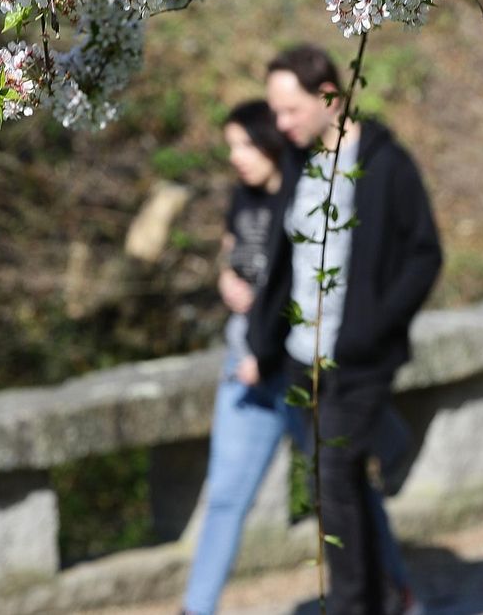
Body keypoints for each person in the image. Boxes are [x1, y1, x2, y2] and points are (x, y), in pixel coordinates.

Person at [180, 100, 416, 615]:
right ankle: (195, 609)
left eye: (245, 145)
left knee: (344, 488)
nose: (237, 158)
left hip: (292, 371)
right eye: (230, 148)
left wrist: (267, 344)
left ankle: (395, 590)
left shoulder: (304, 196)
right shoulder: (241, 200)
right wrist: (227, 281)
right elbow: (233, 255)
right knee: (225, 498)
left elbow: (307, 290)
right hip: (244, 373)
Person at [245, 45, 443, 615]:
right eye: (275, 113)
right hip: (302, 356)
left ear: (328, 96)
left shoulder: (384, 163)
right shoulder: (298, 163)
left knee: (332, 477)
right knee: (343, 482)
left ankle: (356, 604)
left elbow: (424, 255)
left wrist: (373, 328)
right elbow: (282, 255)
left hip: (358, 358)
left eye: (289, 111)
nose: (281, 125)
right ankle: (385, 595)